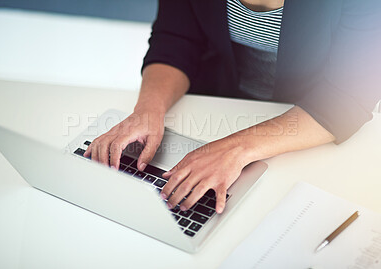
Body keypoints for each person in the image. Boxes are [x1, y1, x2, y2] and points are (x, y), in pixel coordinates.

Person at [84, 0, 381, 214]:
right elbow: (176, 40)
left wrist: (233, 149)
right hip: (214, 106)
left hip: (305, 127)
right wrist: (147, 110)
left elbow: (349, 96)